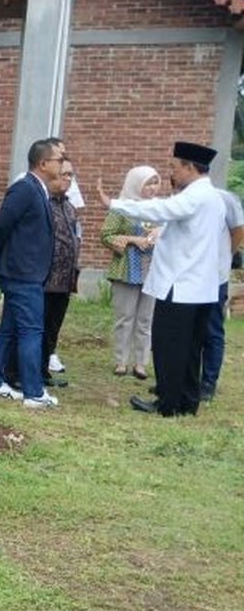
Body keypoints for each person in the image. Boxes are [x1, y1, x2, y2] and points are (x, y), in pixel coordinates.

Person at [98, 141, 225, 417]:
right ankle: (187, 402)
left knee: (170, 347)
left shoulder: (195, 196)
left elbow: (159, 210)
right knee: (191, 349)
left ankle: (167, 403)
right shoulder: (212, 196)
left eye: (175, 167)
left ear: (190, 167)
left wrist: (116, 204)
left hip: (180, 287)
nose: (172, 173)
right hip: (200, 288)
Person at [0, 138, 63, 408]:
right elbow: (1, 226)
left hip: (27, 271)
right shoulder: (25, 188)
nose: (62, 164)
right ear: (43, 163)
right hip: (21, 272)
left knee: (10, 329)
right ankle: (33, 392)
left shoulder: (38, 189)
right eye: (58, 160)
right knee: (31, 331)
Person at [4, 157, 79, 389]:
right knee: (30, 327)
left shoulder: (68, 206)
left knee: (51, 329)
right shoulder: (40, 201)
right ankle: (16, 372)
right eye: (62, 174)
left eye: (70, 175)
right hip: (41, 276)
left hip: (64, 279)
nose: (66, 179)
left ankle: (42, 370)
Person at [99, 166, 161, 379]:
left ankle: (141, 363)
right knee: (125, 317)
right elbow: (106, 235)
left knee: (146, 319)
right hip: (126, 268)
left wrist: (159, 232)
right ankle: (120, 360)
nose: (153, 188)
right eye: (148, 183)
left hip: (152, 270)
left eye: (155, 182)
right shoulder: (122, 207)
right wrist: (134, 240)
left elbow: (173, 234)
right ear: (136, 184)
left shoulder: (160, 209)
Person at [199, 187, 244, 400]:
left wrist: (226, 256)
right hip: (188, 278)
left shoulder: (225, 199)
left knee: (212, 329)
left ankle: (208, 381)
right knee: (187, 330)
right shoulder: (181, 199)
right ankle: (184, 378)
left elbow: (238, 230)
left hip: (214, 278)